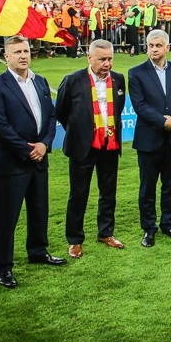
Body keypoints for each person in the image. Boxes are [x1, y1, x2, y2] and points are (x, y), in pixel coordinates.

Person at [0, 36, 64, 289]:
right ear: (6, 56)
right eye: (17, 52)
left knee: (39, 209)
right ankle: (4, 266)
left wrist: (44, 144)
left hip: (39, 158)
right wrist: (27, 150)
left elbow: (51, 117)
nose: (23, 56)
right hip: (12, 161)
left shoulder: (40, 81)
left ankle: (38, 251)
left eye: (26, 51)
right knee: (7, 216)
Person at [55, 39, 126, 259]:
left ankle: (106, 232)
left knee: (108, 192)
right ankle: (75, 240)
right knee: (78, 194)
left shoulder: (118, 79)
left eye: (110, 59)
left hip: (109, 145)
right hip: (82, 147)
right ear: (89, 58)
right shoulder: (73, 80)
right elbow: (61, 111)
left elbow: (119, 109)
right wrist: (81, 133)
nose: (107, 64)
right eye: (102, 59)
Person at [129, 30, 171, 247]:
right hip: (149, 139)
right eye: (150, 45)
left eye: (158, 45)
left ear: (167, 47)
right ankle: (149, 229)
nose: (154, 49)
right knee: (147, 187)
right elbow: (139, 105)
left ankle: (169, 224)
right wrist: (161, 121)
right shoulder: (136, 73)